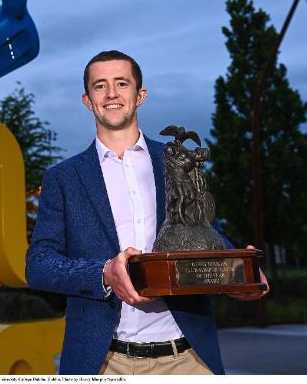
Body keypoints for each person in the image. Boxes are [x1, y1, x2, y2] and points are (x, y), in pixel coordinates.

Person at [25, 50, 268, 375]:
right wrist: (104, 274)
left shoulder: (179, 160)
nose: (111, 94)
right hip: (103, 363)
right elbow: (39, 264)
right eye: (100, 86)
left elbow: (200, 231)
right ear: (87, 100)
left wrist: (238, 271)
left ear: (140, 95)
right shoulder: (63, 178)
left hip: (189, 360)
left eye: (121, 83)